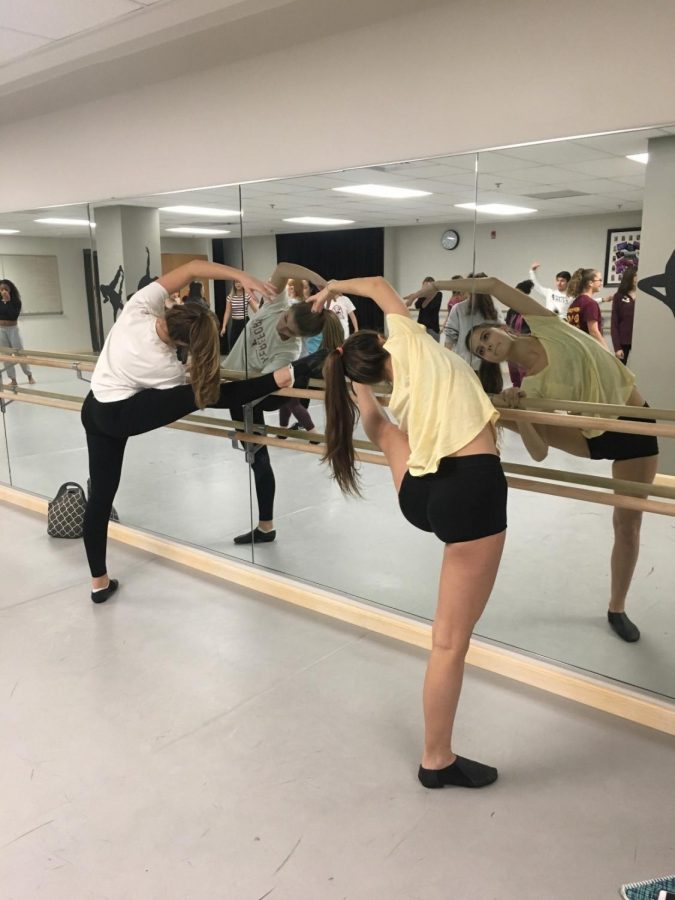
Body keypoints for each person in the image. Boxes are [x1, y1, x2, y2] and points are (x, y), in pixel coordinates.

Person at [313, 275, 506, 790]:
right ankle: (436, 759)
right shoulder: (410, 342)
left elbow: (376, 424)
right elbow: (377, 285)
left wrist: (358, 389)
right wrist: (332, 287)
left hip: (424, 496)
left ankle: (437, 755)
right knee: (450, 643)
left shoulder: (395, 394)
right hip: (473, 493)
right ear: (381, 340)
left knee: (387, 431)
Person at [455, 275, 659, 643]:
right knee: (511, 407)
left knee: (627, 524)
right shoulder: (530, 386)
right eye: (482, 351)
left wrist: (433, 287)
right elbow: (539, 452)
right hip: (591, 436)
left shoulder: (548, 325)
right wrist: (521, 414)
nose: (489, 347)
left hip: (634, 424)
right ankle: (488, 407)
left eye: (486, 337)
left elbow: (493, 285)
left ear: (502, 328)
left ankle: (617, 607)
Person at [81, 260, 294, 603]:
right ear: (185, 343)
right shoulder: (164, 368)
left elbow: (192, 267)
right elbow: (211, 394)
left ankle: (99, 583)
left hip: (92, 407)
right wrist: (271, 381)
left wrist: (241, 276)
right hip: (120, 415)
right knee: (203, 395)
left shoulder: (136, 308)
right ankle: (279, 378)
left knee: (101, 499)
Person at [224, 263, 343, 545]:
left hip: (244, 397)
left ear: (299, 337)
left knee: (259, 460)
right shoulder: (277, 305)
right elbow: (282, 268)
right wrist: (323, 283)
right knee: (258, 460)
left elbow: (256, 389)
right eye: (286, 317)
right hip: (230, 381)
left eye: (288, 328)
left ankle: (266, 527)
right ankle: (266, 528)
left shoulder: (288, 351)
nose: (282, 324)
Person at [443, 273, 502, 369]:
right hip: (489, 364)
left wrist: (446, 364)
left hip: (464, 364)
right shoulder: (494, 308)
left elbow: (449, 338)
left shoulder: (458, 308)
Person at [0, 279, 36, 387]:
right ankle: (13, 379)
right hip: (1, 329)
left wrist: (8, 301)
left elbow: (13, 315)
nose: (3, 291)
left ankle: (29, 375)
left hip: (13, 329)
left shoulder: (16, 301)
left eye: (5, 289)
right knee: (6, 355)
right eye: (1, 289)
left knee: (19, 352)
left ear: (10, 290)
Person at [565, 268, 609, 348]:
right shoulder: (590, 304)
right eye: (600, 280)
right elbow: (594, 332)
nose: (601, 283)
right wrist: (607, 351)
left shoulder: (574, 304)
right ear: (590, 283)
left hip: (576, 348)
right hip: (588, 350)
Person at [220, 280, 259, 349]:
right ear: (234, 284)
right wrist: (223, 326)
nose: (238, 284)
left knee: (246, 346)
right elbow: (227, 312)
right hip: (235, 323)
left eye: (239, 282)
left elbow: (256, 310)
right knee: (233, 345)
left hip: (245, 322)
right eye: (236, 282)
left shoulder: (247, 296)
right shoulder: (230, 297)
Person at [610, 267, 637, 364]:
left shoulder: (645, 296)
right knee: (621, 373)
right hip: (624, 341)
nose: (637, 278)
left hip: (641, 339)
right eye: (635, 276)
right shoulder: (619, 296)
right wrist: (617, 347)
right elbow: (614, 323)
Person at [404, 276, 443, 341]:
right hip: (421, 328)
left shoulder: (438, 294)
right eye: (424, 287)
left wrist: (422, 295)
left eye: (427, 287)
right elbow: (417, 305)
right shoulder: (422, 295)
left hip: (432, 328)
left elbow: (431, 306)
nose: (425, 289)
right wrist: (422, 294)